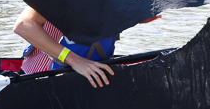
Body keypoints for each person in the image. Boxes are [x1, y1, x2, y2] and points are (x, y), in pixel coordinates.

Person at [14, 7, 160, 88]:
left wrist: (137, 16)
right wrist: (75, 60)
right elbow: (23, 26)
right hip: (41, 80)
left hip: (92, 75)